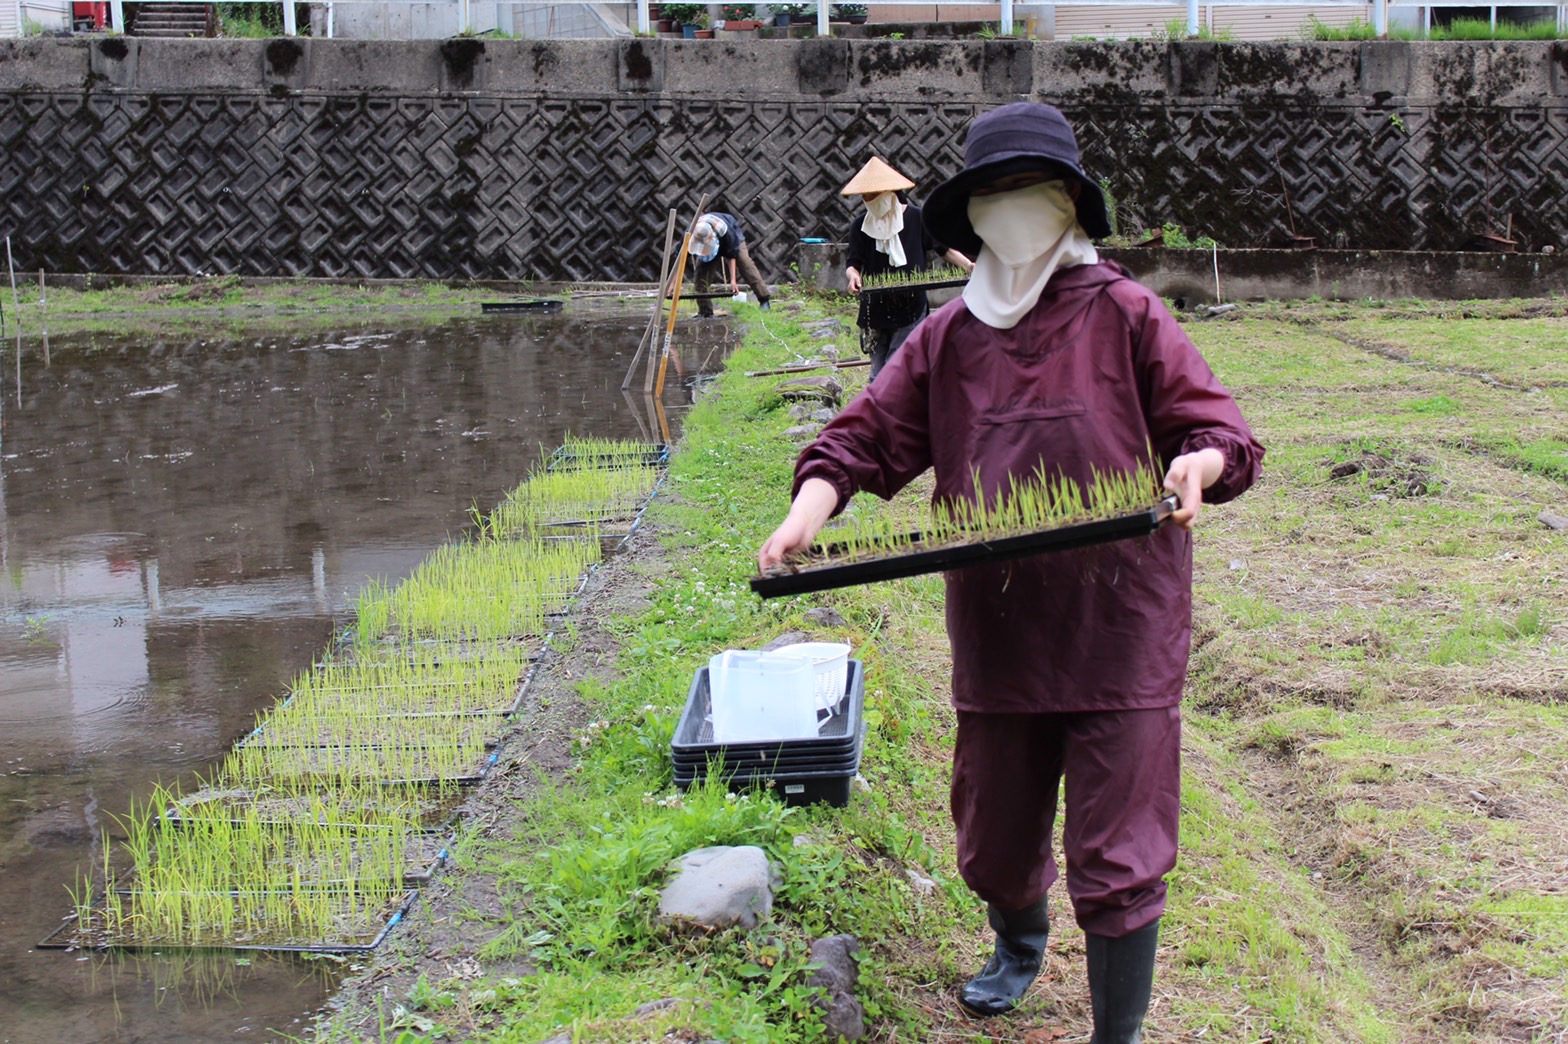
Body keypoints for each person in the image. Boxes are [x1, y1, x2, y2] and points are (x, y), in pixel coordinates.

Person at [757, 102, 1264, 1040]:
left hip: (1123, 621)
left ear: (1069, 204)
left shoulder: (1126, 313)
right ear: (973, 217)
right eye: (995, 195)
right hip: (999, 628)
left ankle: (1117, 1028)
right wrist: (805, 513)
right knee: (994, 833)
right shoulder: (949, 338)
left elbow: (1219, 429)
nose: (1015, 211)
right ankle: (1017, 941)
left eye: (1031, 192)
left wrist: (1198, 464)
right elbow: (865, 437)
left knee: (1120, 845)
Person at [841, 156, 973, 377]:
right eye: (864, 197)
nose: (867, 200)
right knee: (877, 368)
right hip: (875, 306)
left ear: (888, 193)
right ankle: (879, 406)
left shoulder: (916, 218)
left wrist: (968, 265)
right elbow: (853, 263)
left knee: (896, 366)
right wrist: (853, 276)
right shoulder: (860, 226)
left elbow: (943, 249)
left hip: (910, 304)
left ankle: (888, 406)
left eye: (872, 195)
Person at [689, 211, 771, 316]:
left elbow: (731, 255)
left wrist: (733, 280)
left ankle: (764, 299)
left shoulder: (727, 231)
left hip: (730, 238)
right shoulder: (691, 233)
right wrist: (672, 285)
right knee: (701, 274)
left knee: (745, 263)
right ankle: (705, 311)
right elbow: (680, 258)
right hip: (705, 241)